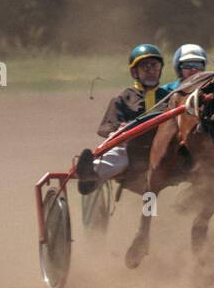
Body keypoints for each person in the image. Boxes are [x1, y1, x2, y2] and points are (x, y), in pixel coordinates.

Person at [74, 44, 172, 194]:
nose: (151, 71)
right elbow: (109, 129)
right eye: (146, 67)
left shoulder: (169, 96)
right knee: (118, 153)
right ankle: (92, 174)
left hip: (164, 148)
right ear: (134, 72)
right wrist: (120, 129)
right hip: (133, 150)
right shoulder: (123, 98)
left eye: (155, 67)